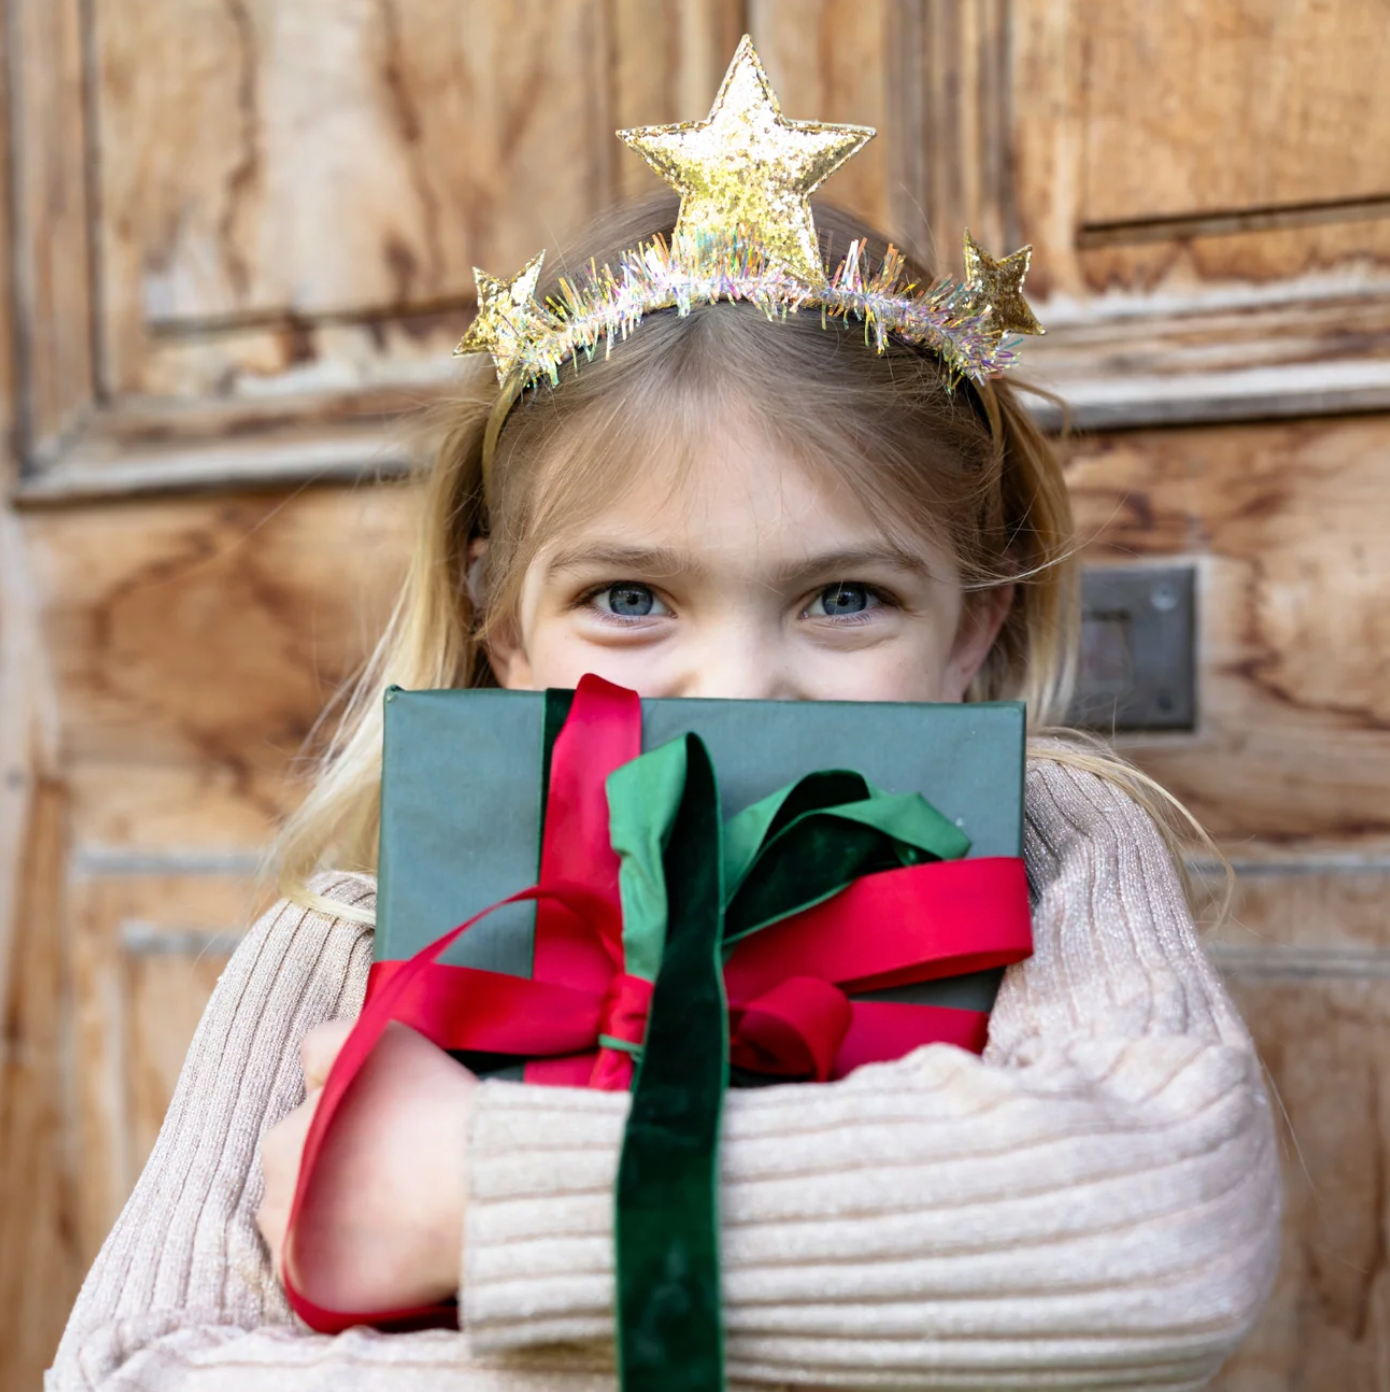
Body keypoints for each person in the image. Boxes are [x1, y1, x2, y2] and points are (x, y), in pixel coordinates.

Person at [48, 41, 1279, 1392]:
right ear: (498, 621)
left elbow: (1167, 1233)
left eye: (845, 597)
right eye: (630, 597)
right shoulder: (339, 941)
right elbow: (138, 1365)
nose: (737, 684)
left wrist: (481, 1202)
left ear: (971, 624)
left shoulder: (1051, 857)